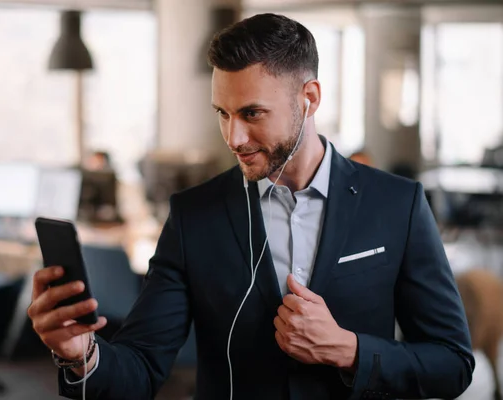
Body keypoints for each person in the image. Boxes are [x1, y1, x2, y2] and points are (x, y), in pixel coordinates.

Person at [27, 13, 474, 399]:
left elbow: (452, 364)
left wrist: (348, 349)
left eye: (252, 114)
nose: (233, 138)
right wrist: (81, 353)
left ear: (310, 98)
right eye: (222, 113)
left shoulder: (398, 204)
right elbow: (141, 371)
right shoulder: (193, 216)